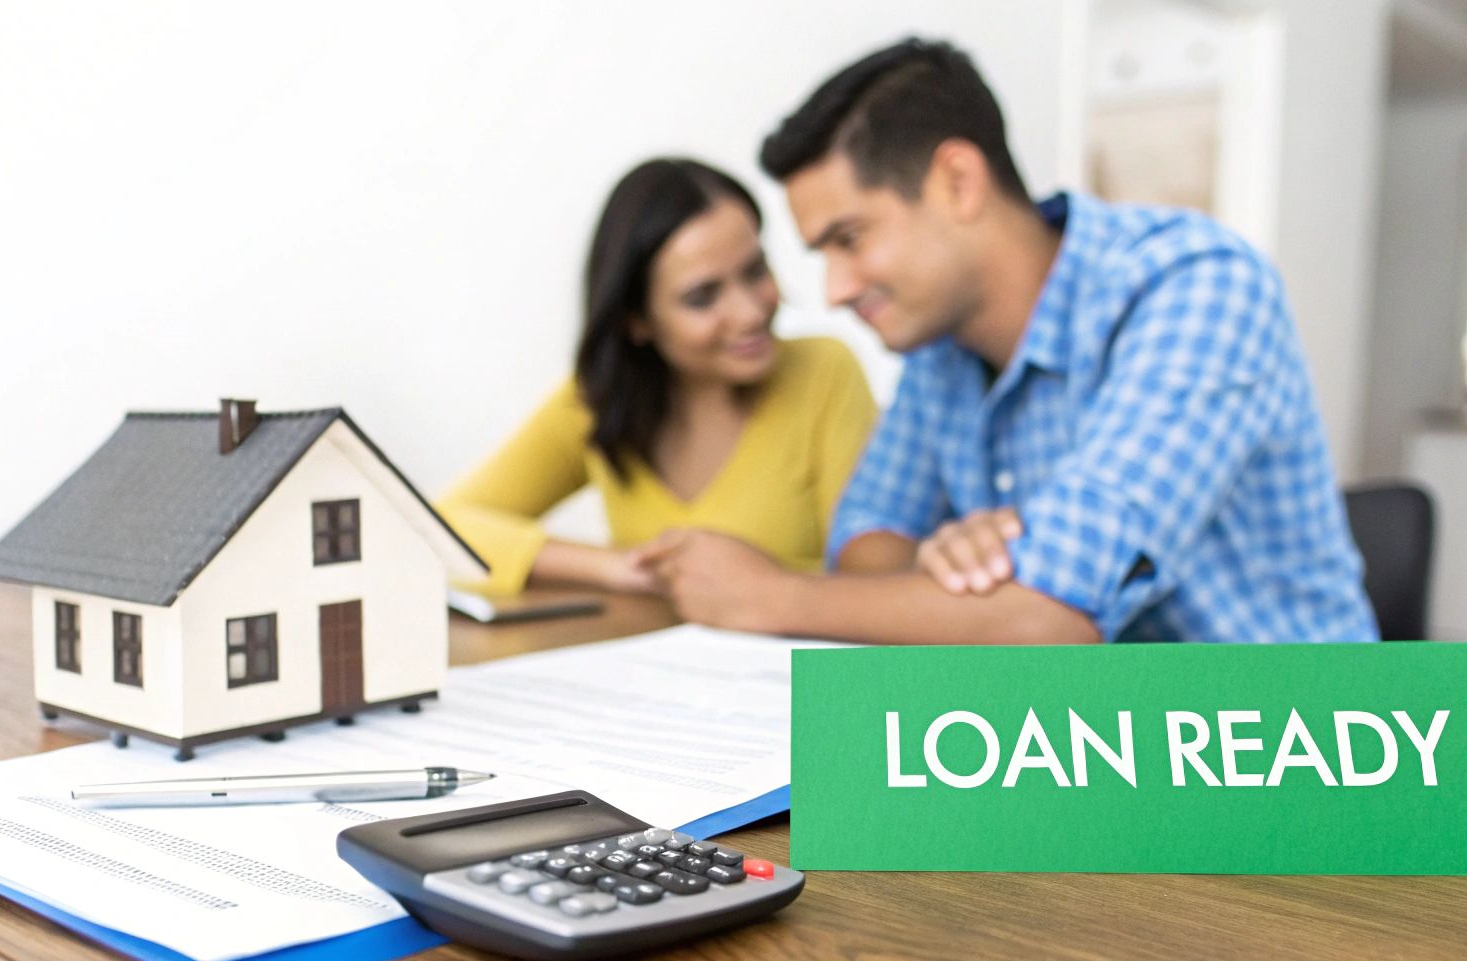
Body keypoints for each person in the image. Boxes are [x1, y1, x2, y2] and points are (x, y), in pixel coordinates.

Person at [639, 39, 1378, 645]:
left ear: (958, 182)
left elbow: (1050, 618)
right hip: (1084, 748)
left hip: (1294, 759)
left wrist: (766, 597)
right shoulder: (939, 344)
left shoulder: (1196, 284)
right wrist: (941, 556)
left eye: (850, 239)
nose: (832, 289)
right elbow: (865, 544)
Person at [438, 158, 876, 595]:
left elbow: (874, 591)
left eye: (754, 271)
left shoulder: (826, 372)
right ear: (637, 320)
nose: (749, 312)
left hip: (800, 663)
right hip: (647, 655)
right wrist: (617, 567)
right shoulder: (598, 401)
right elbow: (440, 528)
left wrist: (755, 586)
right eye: (702, 297)